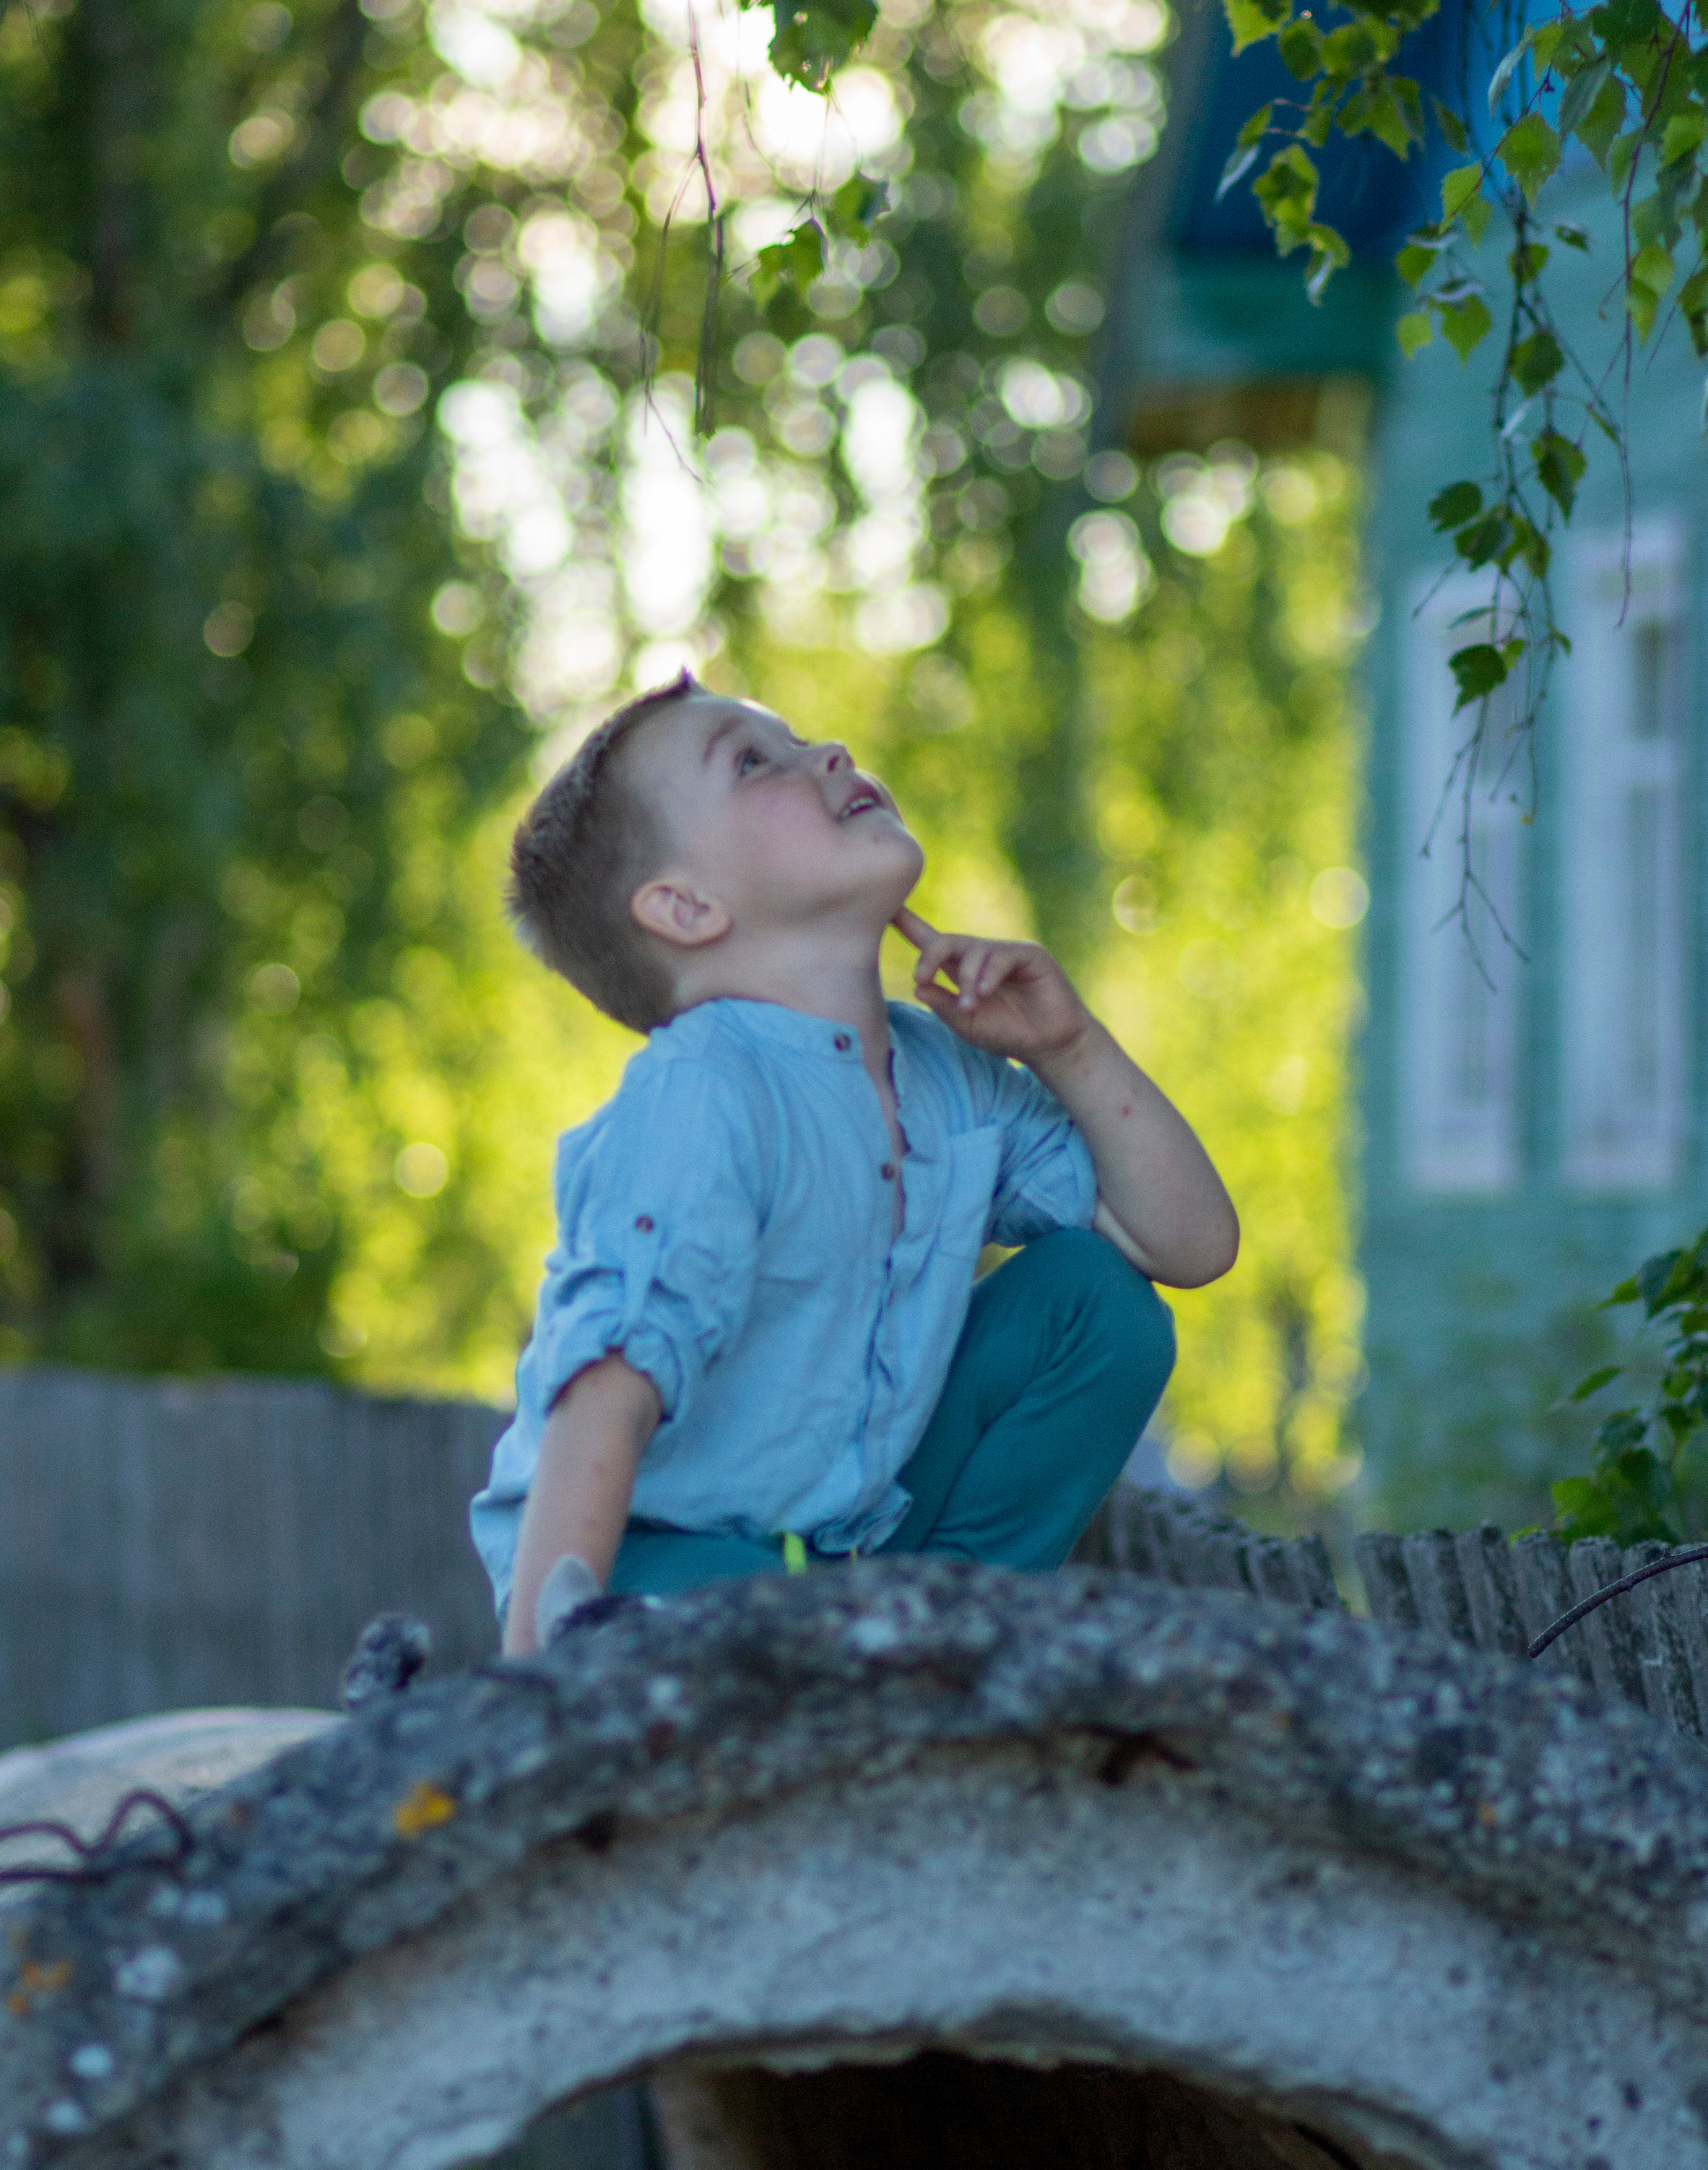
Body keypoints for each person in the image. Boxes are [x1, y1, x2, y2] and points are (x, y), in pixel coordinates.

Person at [472, 673, 1240, 1654]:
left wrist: (1070, 1047)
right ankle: (832, 1670)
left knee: (1098, 1304)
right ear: (686, 907)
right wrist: (535, 1684)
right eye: (755, 762)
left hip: (846, 1558)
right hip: (647, 1564)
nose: (827, 753)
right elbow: (603, 1394)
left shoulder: (946, 1078)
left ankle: (946, 1656)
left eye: (800, 738)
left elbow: (1189, 1245)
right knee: (756, 1599)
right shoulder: (704, 1095)